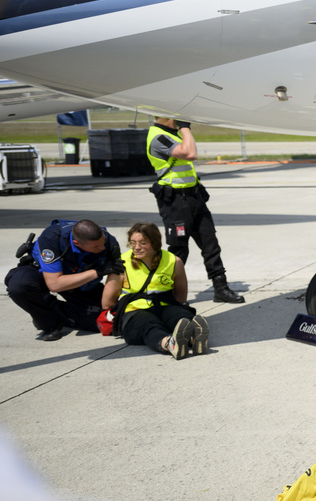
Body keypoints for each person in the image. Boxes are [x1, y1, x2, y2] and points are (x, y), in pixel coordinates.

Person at [145, 117, 244, 303]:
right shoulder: (159, 137)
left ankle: (220, 287)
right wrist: (185, 128)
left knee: (210, 244)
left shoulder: (172, 134)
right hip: (175, 202)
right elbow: (190, 154)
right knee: (179, 249)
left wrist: (182, 129)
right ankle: (168, 292)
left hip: (193, 197)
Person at [100, 222, 209, 360]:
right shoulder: (122, 264)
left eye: (143, 243)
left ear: (155, 243)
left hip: (166, 306)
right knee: (149, 326)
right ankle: (170, 344)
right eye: (133, 243)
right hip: (136, 311)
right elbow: (107, 303)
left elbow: (180, 297)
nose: (137, 247)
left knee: (181, 317)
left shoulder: (173, 261)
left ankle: (194, 339)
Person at [4, 219, 123, 340]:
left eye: (102, 242)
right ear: (77, 243)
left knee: (103, 321)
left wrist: (108, 307)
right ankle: (48, 322)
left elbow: (116, 274)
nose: (102, 247)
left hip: (81, 282)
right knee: (19, 286)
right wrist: (98, 272)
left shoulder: (109, 241)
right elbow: (54, 284)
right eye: (96, 246)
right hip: (45, 273)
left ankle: (52, 309)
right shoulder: (52, 238)